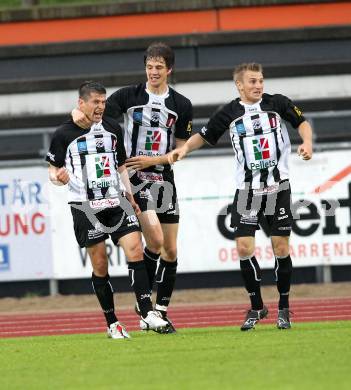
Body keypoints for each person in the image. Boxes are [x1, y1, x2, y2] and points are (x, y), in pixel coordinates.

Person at [172, 63, 313, 331]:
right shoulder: (229, 112)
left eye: (260, 80)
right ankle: (258, 307)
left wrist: (306, 142)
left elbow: (302, 122)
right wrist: (183, 151)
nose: (258, 86)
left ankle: (284, 307)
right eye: (252, 82)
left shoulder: (277, 103)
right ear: (240, 85)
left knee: (280, 247)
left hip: (277, 188)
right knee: (243, 248)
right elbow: (204, 135)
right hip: (248, 191)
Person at [72, 43, 193, 334]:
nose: (153, 72)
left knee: (171, 250)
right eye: (150, 66)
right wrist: (78, 116)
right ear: (145, 68)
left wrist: (157, 159)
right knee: (154, 238)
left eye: (159, 67)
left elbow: (182, 149)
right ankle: (145, 306)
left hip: (163, 177)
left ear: (169, 69)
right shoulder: (127, 96)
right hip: (135, 179)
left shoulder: (182, 104)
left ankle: (158, 310)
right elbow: (96, 115)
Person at [46, 81, 168, 339]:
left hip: (116, 200)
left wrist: (130, 195)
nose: (101, 106)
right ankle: (112, 323)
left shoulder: (113, 128)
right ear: (81, 104)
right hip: (85, 206)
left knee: (135, 248)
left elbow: (121, 165)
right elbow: (52, 172)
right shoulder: (63, 134)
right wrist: (59, 178)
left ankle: (147, 313)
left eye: (103, 102)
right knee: (100, 263)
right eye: (95, 102)